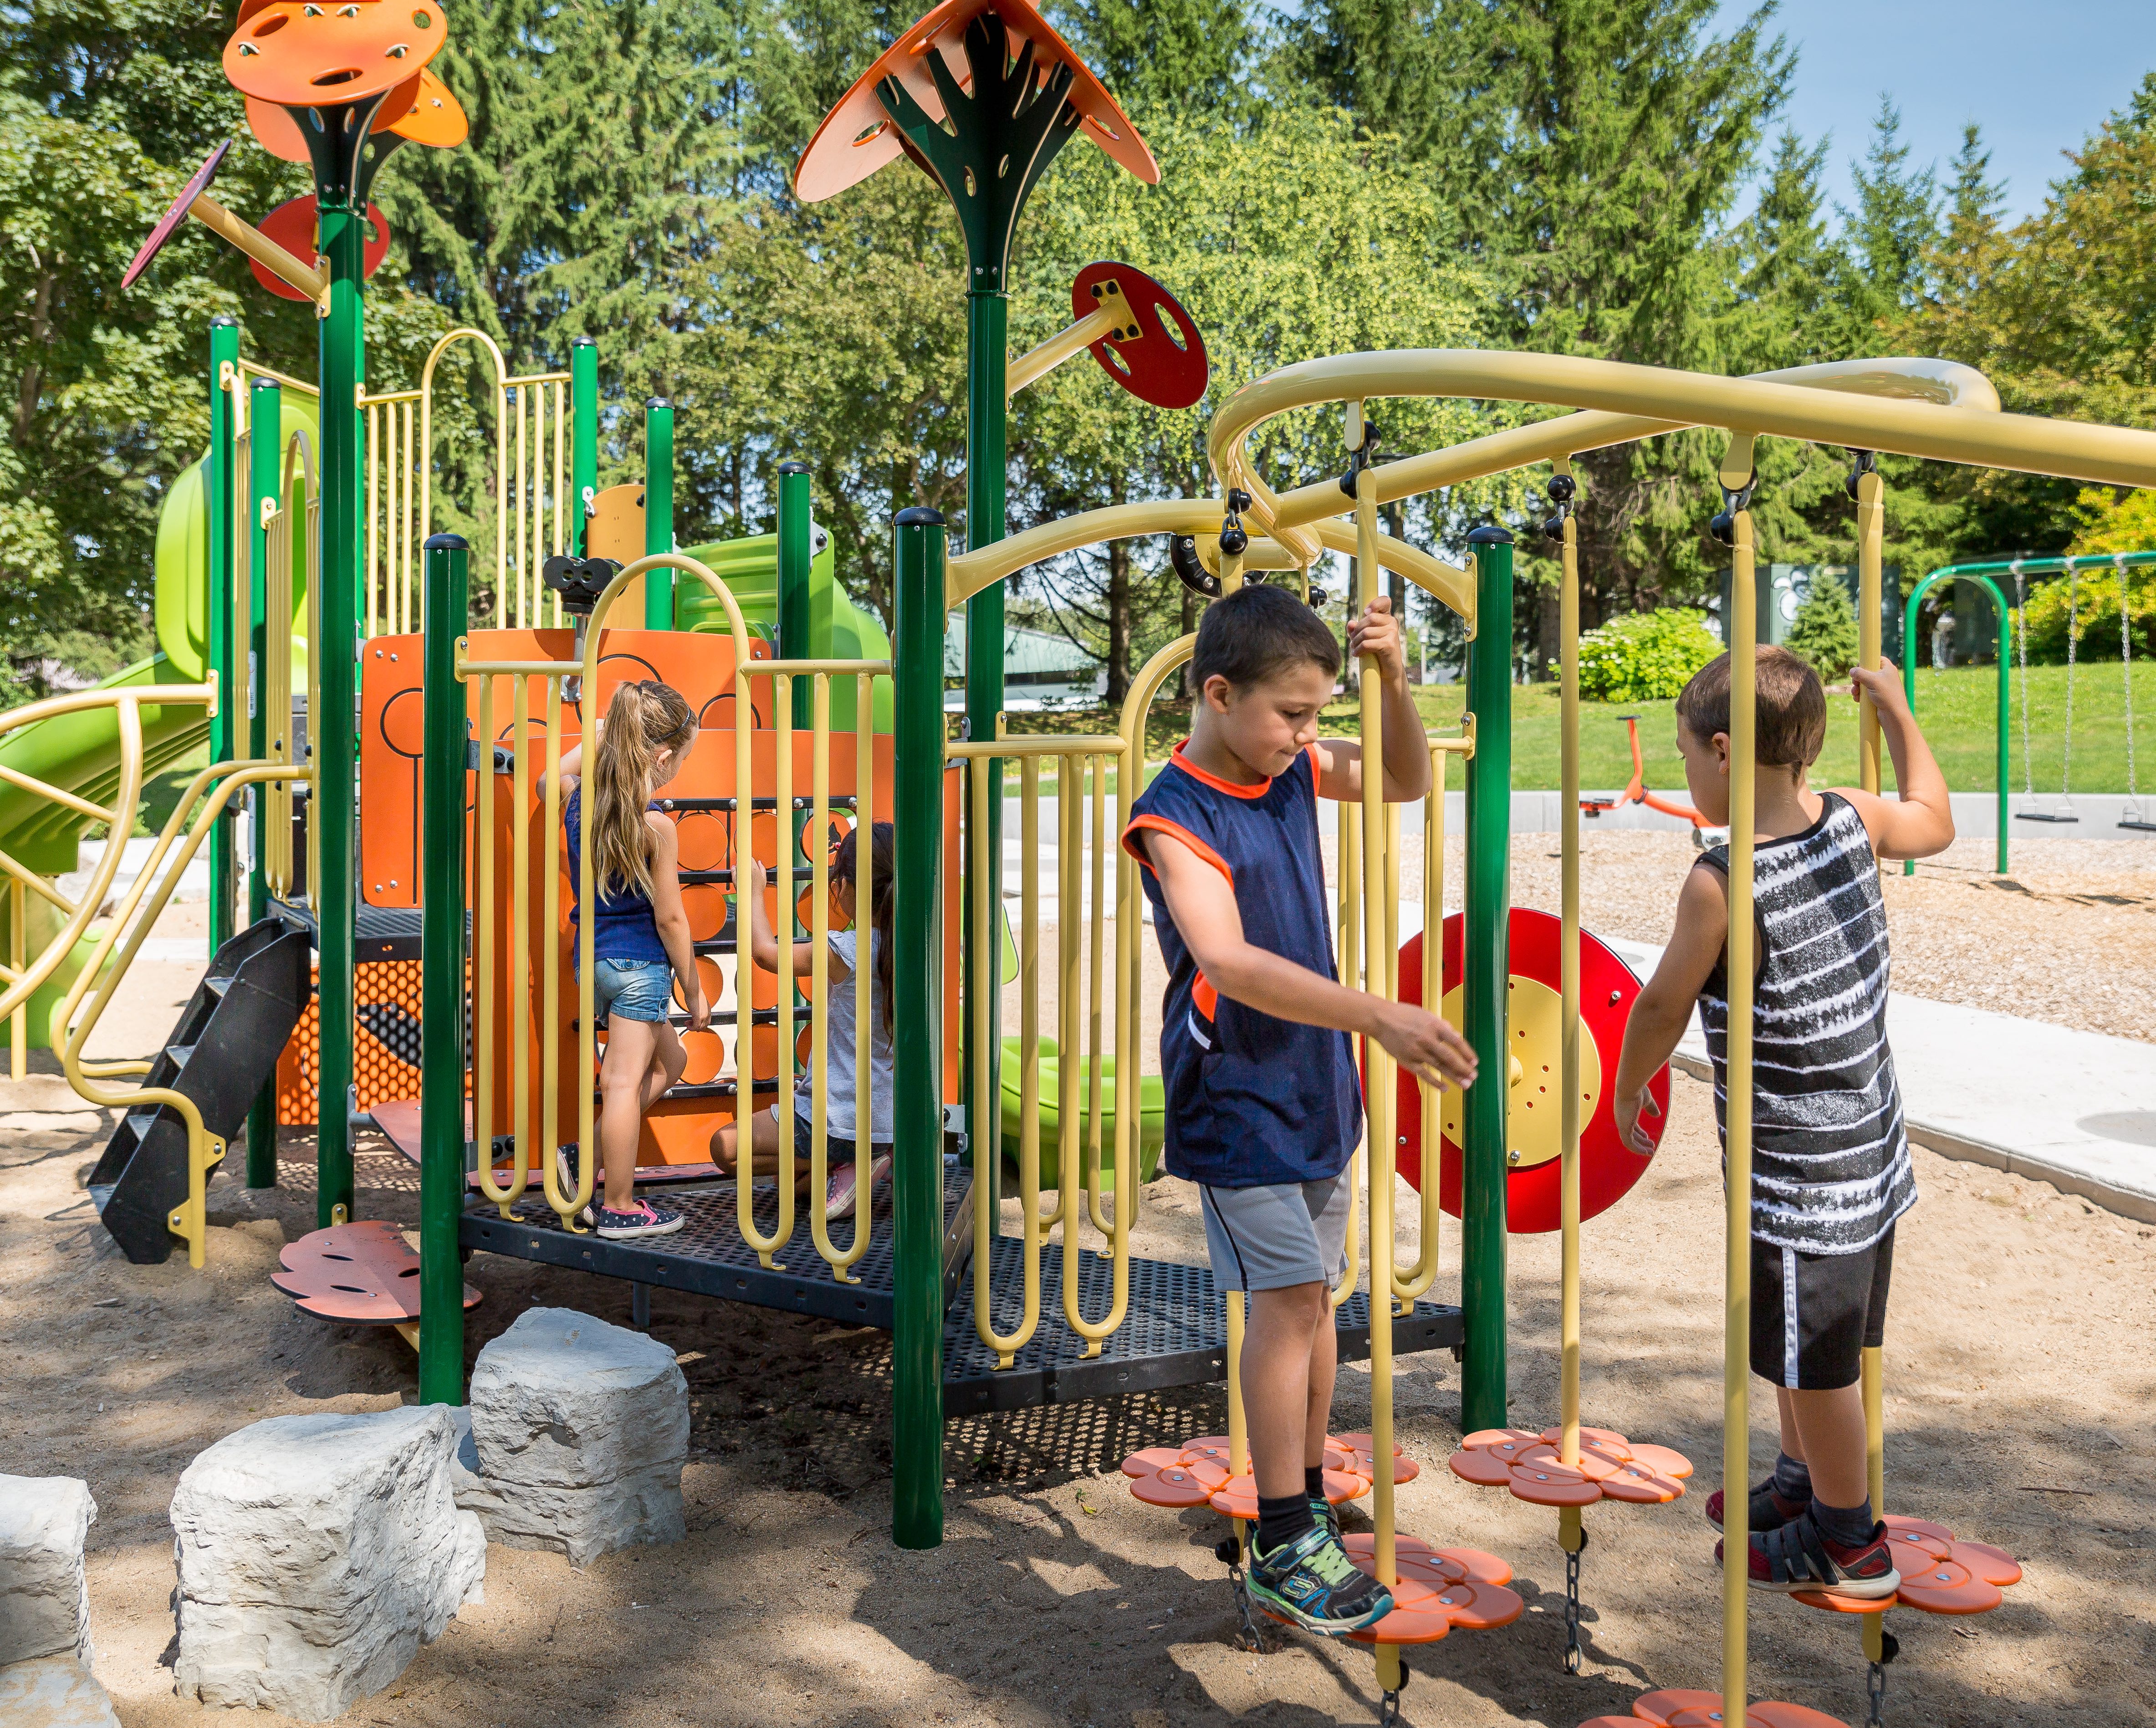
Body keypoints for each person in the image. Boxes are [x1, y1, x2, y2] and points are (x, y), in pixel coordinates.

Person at [1122, 583, 1478, 1636]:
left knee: (1316, 1303)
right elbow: (1226, 960)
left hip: (1315, 1082)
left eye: (1318, 715)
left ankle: (1306, 1499)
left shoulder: (1285, 766)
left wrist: (1392, 681)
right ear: (1218, 693)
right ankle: (1280, 1538)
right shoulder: (1172, 813)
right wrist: (1378, 1014)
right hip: (1236, 1098)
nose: (1305, 735)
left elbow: (1405, 779)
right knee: (1285, 1305)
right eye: (1293, 713)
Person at [1612, 646, 1953, 1598]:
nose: (1686, 773)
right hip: (1870, 1151)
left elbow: (1660, 1006)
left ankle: (1851, 1538)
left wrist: (1632, 1087)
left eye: (1685, 757)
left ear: (1722, 752)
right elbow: (1938, 819)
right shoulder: (1850, 816)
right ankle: (1806, 1483)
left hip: (1805, 1178)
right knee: (1801, 1342)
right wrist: (1892, 705)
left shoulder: (1721, 880)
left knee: (1817, 1367)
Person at [550, 679, 707, 1241]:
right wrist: (695, 990)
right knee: (622, 1085)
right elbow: (671, 920)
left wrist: (592, 740)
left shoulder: (577, 802)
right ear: (662, 755)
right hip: (639, 970)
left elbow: (547, 778)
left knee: (671, 1065)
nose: (679, 767)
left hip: (592, 965)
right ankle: (616, 1204)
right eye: (682, 758)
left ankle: (581, 1156)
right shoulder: (655, 827)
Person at [710, 821, 894, 1221]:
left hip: (837, 1122)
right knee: (788, 1185)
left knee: (725, 1147)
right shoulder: (919, 948)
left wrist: (753, 891)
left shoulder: (843, 949)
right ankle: (852, 1168)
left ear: (845, 885)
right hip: (892, 1122)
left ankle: (851, 1163)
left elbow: (765, 952)